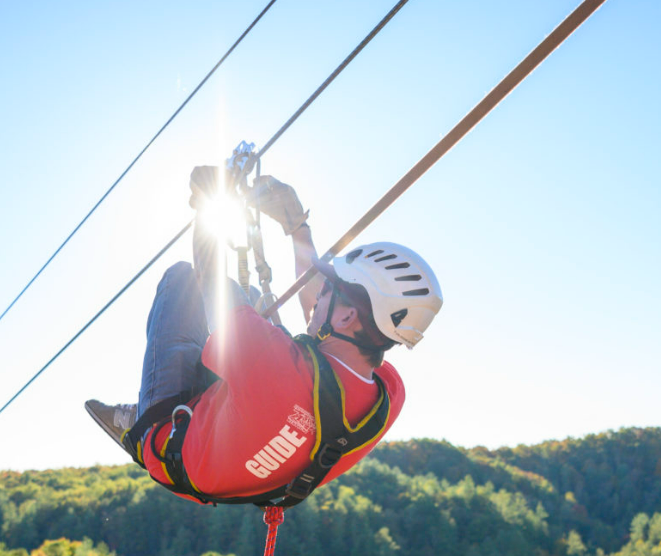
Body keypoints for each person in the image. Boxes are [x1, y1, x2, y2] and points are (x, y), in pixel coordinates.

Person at [86, 167, 444, 508]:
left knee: (182, 282)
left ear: (348, 316)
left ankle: (136, 425)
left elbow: (207, 278)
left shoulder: (273, 365)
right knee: (250, 303)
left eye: (328, 291)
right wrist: (297, 228)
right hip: (238, 461)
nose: (318, 294)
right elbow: (312, 326)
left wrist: (207, 204)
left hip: (173, 446)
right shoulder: (387, 395)